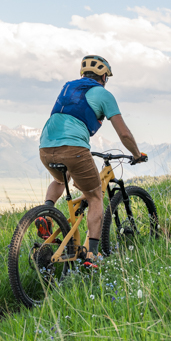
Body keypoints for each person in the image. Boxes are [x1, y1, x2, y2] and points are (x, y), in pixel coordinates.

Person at [38, 55, 146, 269]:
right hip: (74, 149)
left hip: (45, 147)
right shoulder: (103, 94)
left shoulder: (68, 88)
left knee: (61, 180)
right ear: (104, 76)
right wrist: (136, 154)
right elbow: (124, 133)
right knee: (95, 196)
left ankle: (46, 213)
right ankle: (92, 256)